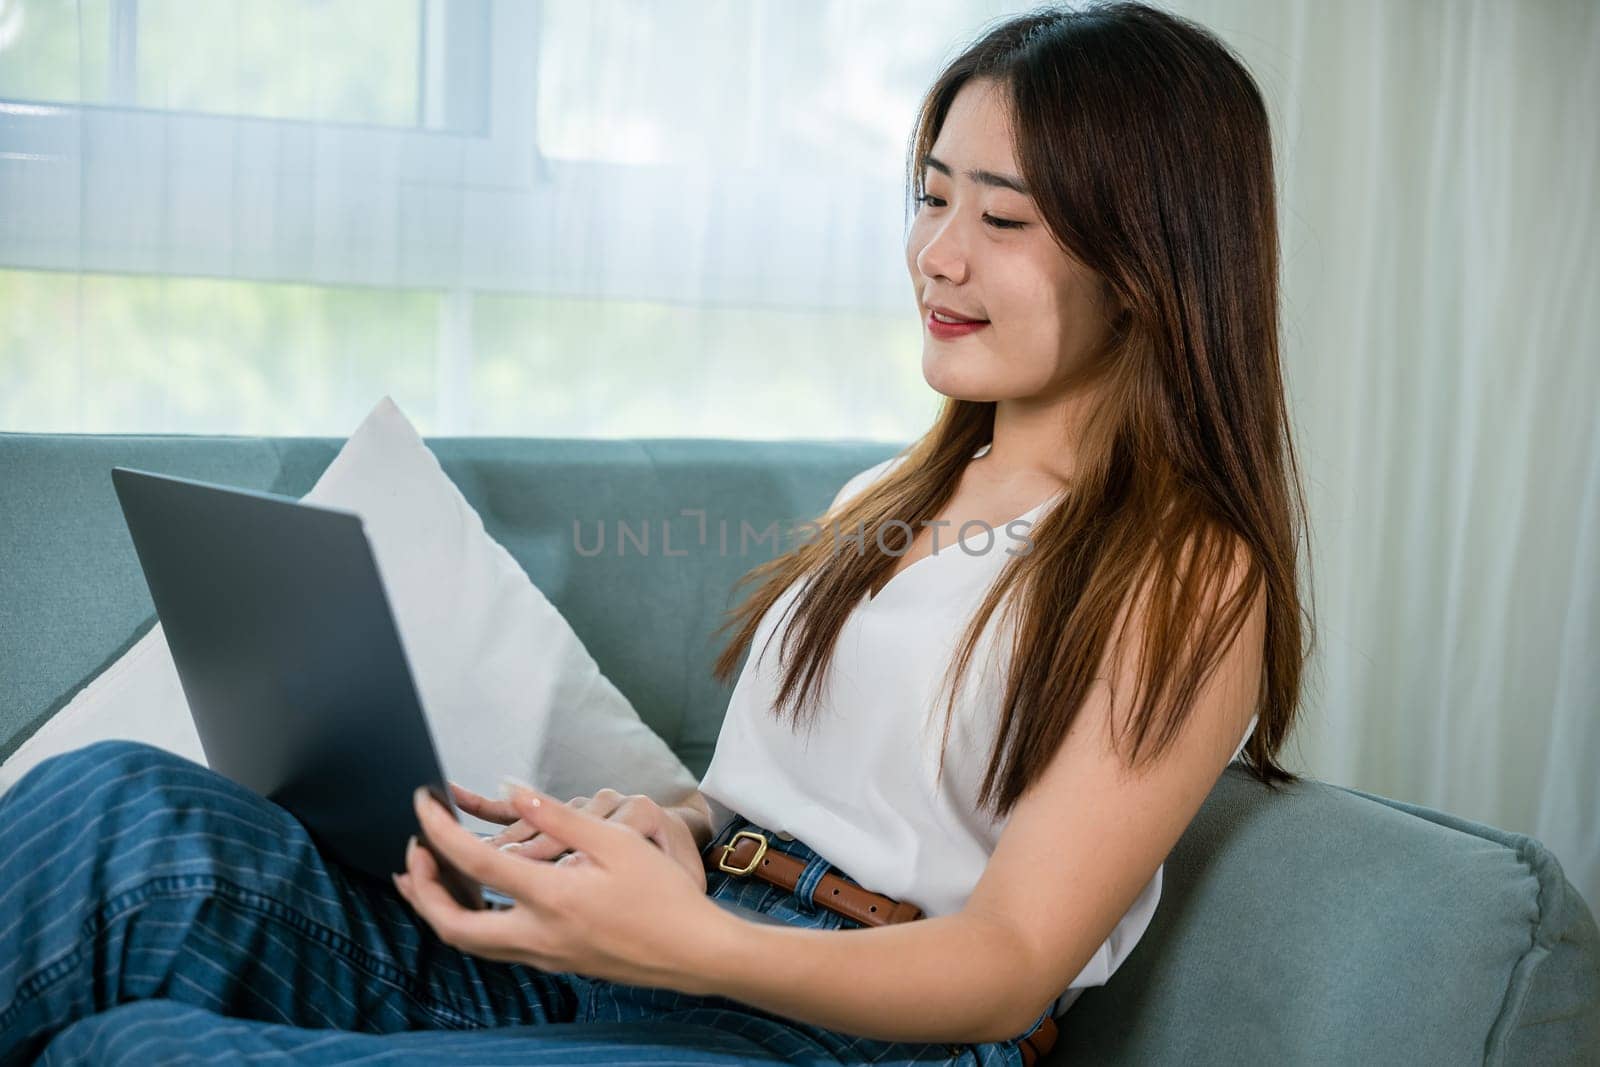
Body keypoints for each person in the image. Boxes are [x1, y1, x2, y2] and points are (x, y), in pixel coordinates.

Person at [0, 2, 1312, 1063]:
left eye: (1004, 218)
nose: (938, 255)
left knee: (140, 1048)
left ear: (1149, 264)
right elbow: (775, 807)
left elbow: (1011, 963)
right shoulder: (881, 499)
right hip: (670, 959)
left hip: (839, 1036)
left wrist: (679, 944)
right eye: (930, 197)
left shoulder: (1187, 570)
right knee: (113, 805)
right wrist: (656, 833)